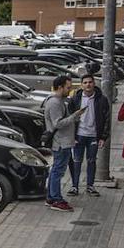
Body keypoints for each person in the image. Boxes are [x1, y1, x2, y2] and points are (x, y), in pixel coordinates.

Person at [44, 75, 84, 212]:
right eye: (68, 87)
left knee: (56, 169)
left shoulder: (58, 100)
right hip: (61, 142)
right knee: (58, 171)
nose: (70, 90)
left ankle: (51, 197)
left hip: (62, 141)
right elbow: (58, 123)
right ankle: (56, 199)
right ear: (60, 87)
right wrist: (75, 116)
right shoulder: (55, 102)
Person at [67, 74, 110, 196]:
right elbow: (70, 117)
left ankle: (90, 186)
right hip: (79, 135)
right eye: (85, 82)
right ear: (81, 85)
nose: (88, 85)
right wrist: (72, 136)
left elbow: (107, 118)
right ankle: (74, 186)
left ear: (94, 83)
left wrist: (103, 137)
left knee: (91, 161)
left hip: (93, 135)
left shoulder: (102, 99)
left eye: (90, 82)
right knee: (77, 161)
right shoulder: (76, 98)